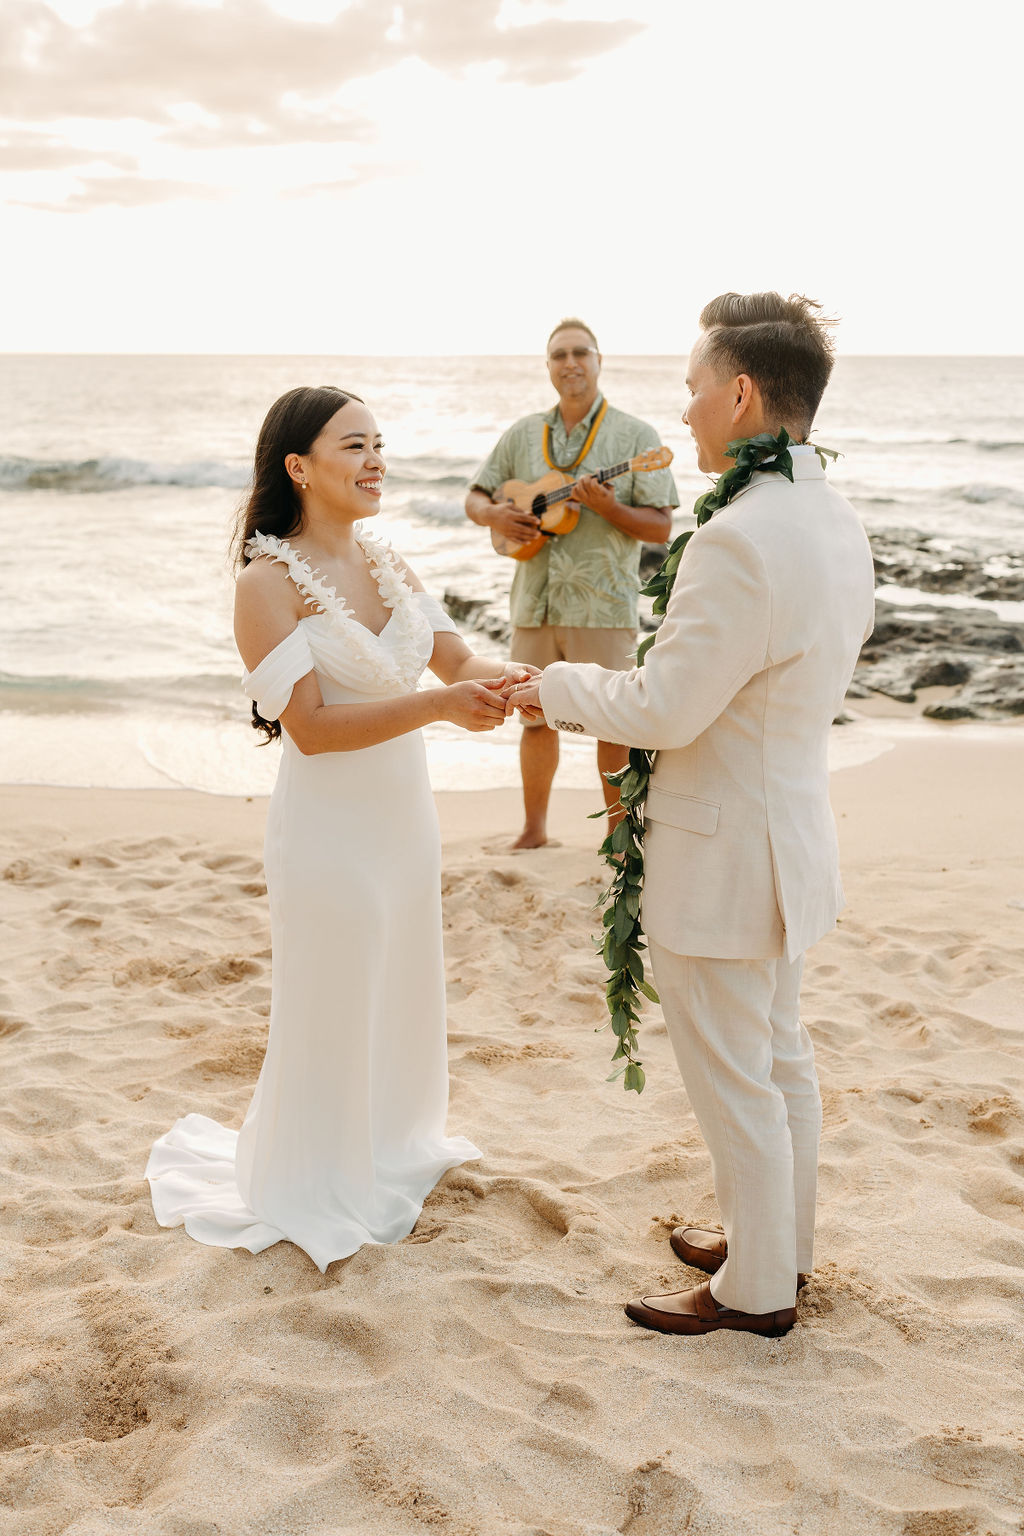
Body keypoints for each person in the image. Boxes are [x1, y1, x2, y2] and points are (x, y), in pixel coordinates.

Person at [509, 293, 876, 1336]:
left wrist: (549, 687)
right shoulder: (832, 519)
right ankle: (777, 1246)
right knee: (779, 1056)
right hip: (791, 834)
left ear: (743, 393)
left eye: (692, 387)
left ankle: (754, 1294)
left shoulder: (737, 540)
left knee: (736, 1081)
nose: (684, 409)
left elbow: (666, 707)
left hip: (723, 853)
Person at [146, 385, 535, 1272]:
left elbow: (462, 658)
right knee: (333, 990)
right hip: (328, 828)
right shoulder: (265, 583)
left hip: (405, 820)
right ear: (299, 467)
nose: (375, 462)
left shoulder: (390, 563)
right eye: (353, 446)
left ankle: (390, 1144)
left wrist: (530, 682)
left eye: (379, 444)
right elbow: (312, 732)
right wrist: (439, 704)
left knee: (399, 979)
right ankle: (318, 1173)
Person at [465, 318, 678, 849]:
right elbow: (475, 497)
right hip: (534, 602)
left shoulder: (636, 438)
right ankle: (534, 831)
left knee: (612, 721)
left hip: (602, 603)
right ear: (548, 367)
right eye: (559, 355)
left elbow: (660, 525)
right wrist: (496, 516)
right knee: (531, 717)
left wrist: (609, 507)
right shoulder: (522, 434)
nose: (571, 363)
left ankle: (616, 840)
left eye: (581, 352)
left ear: (599, 360)